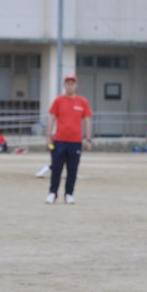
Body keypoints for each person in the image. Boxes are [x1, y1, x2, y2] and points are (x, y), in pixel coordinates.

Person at [45, 74, 93, 205]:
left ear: (76, 85)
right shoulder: (58, 100)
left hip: (75, 142)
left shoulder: (82, 102)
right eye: (67, 83)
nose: (70, 86)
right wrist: (48, 136)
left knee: (72, 169)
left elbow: (87, 120)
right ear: (64, 85)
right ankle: (52, 193)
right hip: (59, 140)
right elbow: (52, 118)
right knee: (56, 168)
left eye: (72, 83)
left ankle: (69, 194)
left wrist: (88, 139)